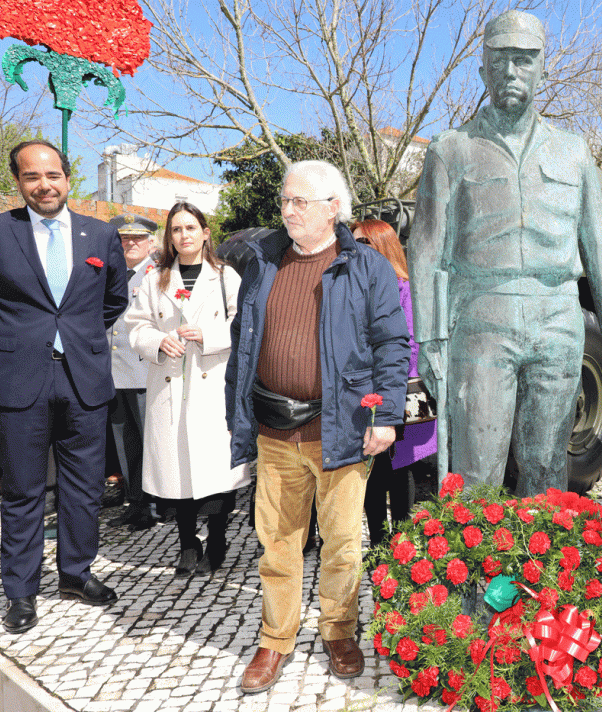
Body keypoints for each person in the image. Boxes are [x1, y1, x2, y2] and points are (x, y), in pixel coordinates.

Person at [410, 9, 602, 495]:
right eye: (499, 61)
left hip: (557, 316)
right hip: (481, 317)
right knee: (477, 468)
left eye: (524, 60)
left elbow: (599, 238)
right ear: (482, 69)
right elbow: (426, 247)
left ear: (543, 69)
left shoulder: (572, 152)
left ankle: (540, 568)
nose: (511, 72)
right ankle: (477, 568)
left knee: (549, 464)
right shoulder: (451, 150)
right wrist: (429, 337)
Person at [226, 161, 409, 693]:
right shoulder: (263, 264)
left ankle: (339, 630)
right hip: (275, 429)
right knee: (277, 543)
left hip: (341, 429)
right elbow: (244, 340)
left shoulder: (366, 268)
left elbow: (392, 345)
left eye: (299, 201)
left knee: (343, 542)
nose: (286, 211)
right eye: (284, 201)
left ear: (333, 207)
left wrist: (388, 417)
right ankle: (275, 639)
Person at [0, 140, 127, 633]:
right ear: (18, 182)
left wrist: (75, 337)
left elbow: (113, 299)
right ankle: (20, 591)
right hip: (17, 378)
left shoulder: (101, 235)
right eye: (32, 176)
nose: (44, 185)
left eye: (53, 175)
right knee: (22, 490)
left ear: (67, 177)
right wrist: (15, 341)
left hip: (84, 377)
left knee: (84, 487)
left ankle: (77, 574)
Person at [127, 202, 248, 576]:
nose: (184, 236)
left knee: (215, 470)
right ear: (169, 236)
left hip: (211, 384)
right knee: (176, 468)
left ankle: (216, 538)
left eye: (191, 228)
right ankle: (186, 543)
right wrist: (159, 342)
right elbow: (136, 326)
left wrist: (209, 336)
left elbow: (243, 324)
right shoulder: (155, 278)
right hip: (169, 385)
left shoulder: (226, 276)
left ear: (205, 232)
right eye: (177, 229)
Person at [353, 218, 436, 548]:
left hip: (396, 394)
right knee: (372, 473)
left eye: (364, 244)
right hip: (364, 395)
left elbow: (413, 346)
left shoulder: (404, 289)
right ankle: (377, 546)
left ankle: (402, 548)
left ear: (381, 247)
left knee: (399, 472)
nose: (355, 251)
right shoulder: (357, 291)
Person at [106, 213, 158, 531]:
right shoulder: (115, 275)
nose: (131, 243)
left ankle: (154, 504)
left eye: (138, 238)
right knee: (126, 442)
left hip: (145, 371)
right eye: (125, 238)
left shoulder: (160, 275)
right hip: (115, 372)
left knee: (149, 441)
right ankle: (135, 501)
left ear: (151, 242)